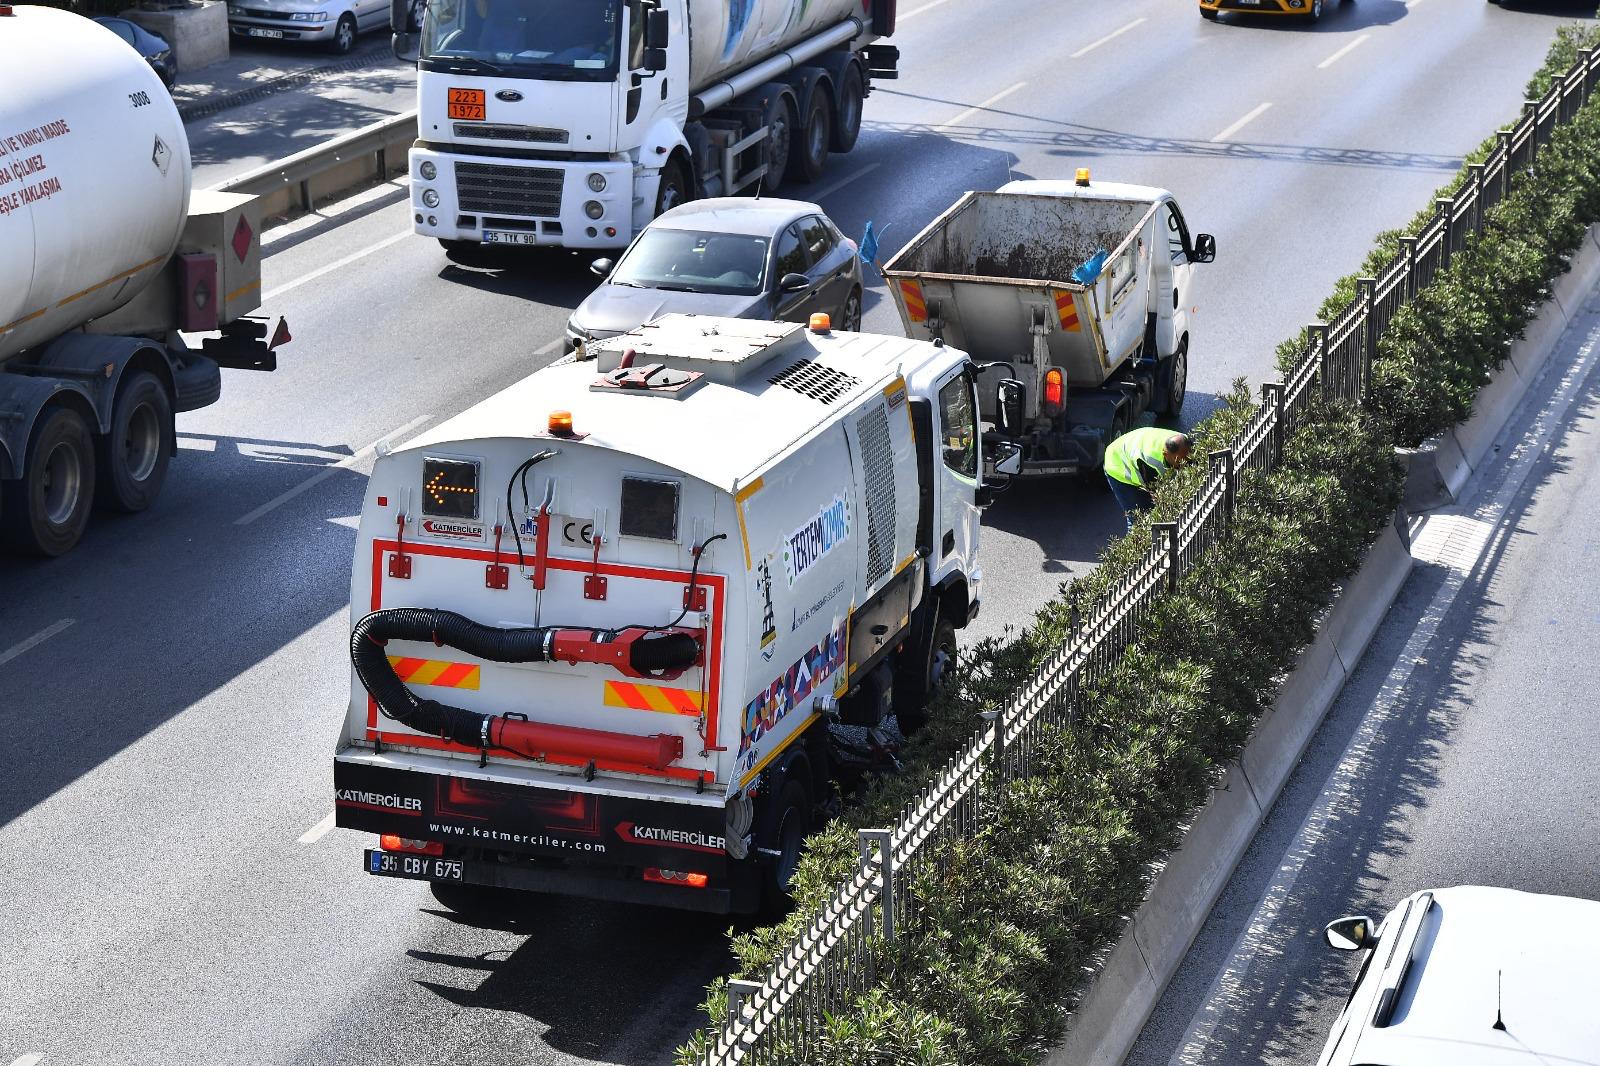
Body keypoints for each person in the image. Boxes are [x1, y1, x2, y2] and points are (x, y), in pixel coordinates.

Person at [1104, 427, 1193, 533]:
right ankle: (1138, 546)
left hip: (1132, 444)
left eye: (1186, 457)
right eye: (1178, 460)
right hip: (1117, 464)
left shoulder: (1185, 442)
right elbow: (1158, 497)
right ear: (1166, 454)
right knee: (1139, 519)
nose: (1183, 463)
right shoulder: (1150, 461)